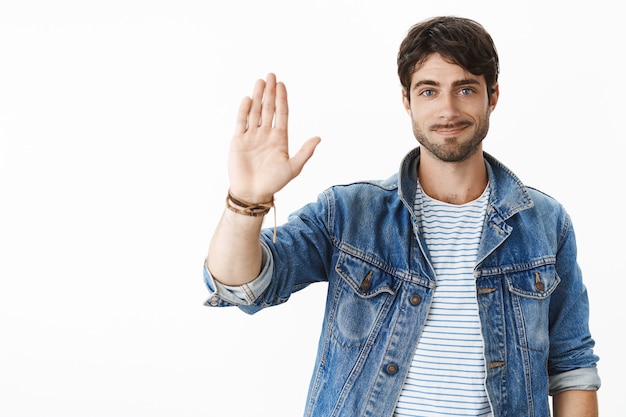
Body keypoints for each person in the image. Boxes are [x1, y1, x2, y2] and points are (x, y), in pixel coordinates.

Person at [204, 15, 600, 417]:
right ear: (407, 100)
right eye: (429, 91)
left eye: (465, 89)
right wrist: (245, 201)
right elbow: (242, 286)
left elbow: (573, 368)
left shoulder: (544, 222)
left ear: (492, 96)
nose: (448, 109)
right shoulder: (350, 213)